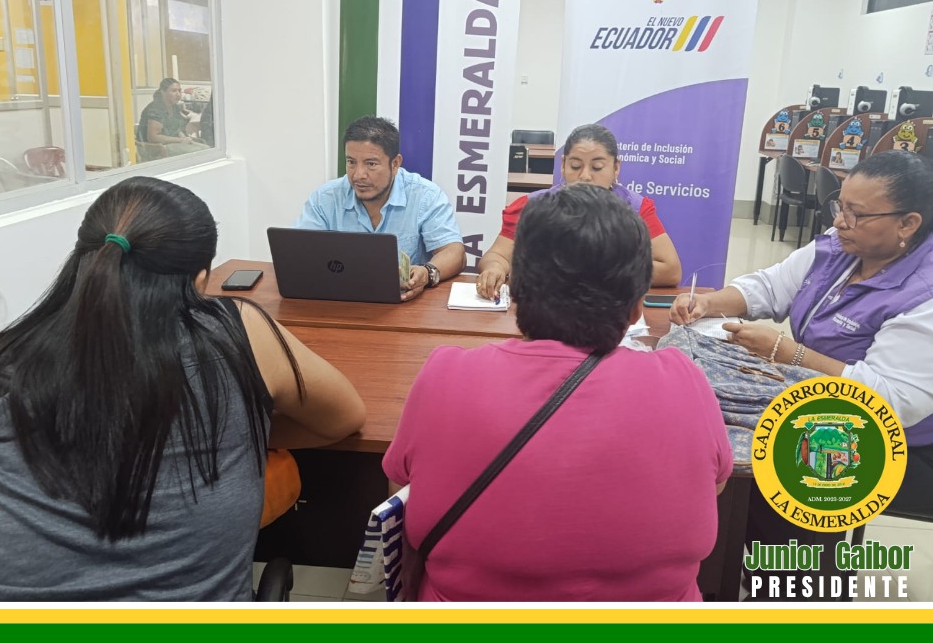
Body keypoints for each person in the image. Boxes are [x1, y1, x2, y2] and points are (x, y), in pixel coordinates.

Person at [0, 177, 365, 601]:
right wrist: (247, 428)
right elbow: (344, 417)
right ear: (202, 280)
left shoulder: (5, 358)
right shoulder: (239, 331)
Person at [383, 184, 731, 601]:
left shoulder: (445, 376)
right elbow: (713, 488)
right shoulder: (685, 381)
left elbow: (401, 496)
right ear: (637, 307)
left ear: (515, 293)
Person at [670, 150, 933, 597]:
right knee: (707, 437)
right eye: (839, 206)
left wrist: (790, 354)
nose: (840, 222)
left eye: (856, 214)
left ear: (907, 224)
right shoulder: (842, 246)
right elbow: (771, 286)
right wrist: (709, 303)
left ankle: (798, 592)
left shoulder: (922, 293)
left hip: (893, 440)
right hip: (819, 404)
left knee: (779, 468)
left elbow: (890, 401)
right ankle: (736, 574)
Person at [476, 123, 682, 299]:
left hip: (609, 309)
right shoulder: (531, 206)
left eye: (597, 167)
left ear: (616, 168)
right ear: (563, 165)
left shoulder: (635, 208)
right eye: (575, 166)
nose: (585, 176)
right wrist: (495, 268)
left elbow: (670, 270)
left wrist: (591, 272)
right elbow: (498, 255)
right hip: (545, 308)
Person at [295, 116, 465, 302]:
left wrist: (427, 272)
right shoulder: (325, 198)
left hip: (404, 304)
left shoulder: (425, 195)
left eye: (371, 164)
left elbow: (455, 253)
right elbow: (299, 254)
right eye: (351, 162)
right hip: (339, 301)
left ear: (395, 163)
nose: (358, 175)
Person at [137, 77, 208, 155]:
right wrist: (180, 140)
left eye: (179, 90)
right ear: (163, 92)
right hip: (155, 149)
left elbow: (177, 129)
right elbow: (153, 137)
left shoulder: (175, 107)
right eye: (174, 91)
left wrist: (185, 138)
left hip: (171, 144)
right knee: (198, 152)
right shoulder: (155, 109)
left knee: (206, 148)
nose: (178, 94)